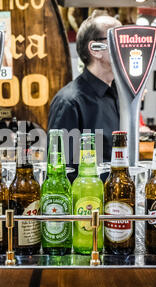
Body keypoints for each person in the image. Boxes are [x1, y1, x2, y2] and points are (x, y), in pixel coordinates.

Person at [48, 11, 122, 174]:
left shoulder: (118, 95)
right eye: (117, 39)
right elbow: (61, 173)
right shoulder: (69, 102)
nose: (125, 46)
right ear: (95, 49)